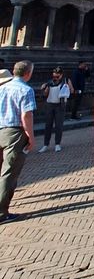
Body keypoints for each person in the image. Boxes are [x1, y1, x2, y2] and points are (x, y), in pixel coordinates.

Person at [0, 62, 35, 224]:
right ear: (28, 73)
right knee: (9, 172)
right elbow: (26, 115)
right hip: (14, 133)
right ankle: (2, 213)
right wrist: (30, 136)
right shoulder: (26, 89)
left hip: (1, 130)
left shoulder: (2, 88)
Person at [39, 67, 74, 152]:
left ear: (61, 75)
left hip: (60, 105)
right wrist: (44, 88)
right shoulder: (49, 82)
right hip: (50, 104)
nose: (55, 78)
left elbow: (72, 91)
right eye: (54, 76)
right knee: (48, 125)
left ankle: (57, 144)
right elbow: (45, 94)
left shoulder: (66, 81)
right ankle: (45, 144)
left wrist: (68, 88)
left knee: (59, 125)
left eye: (57, 77)